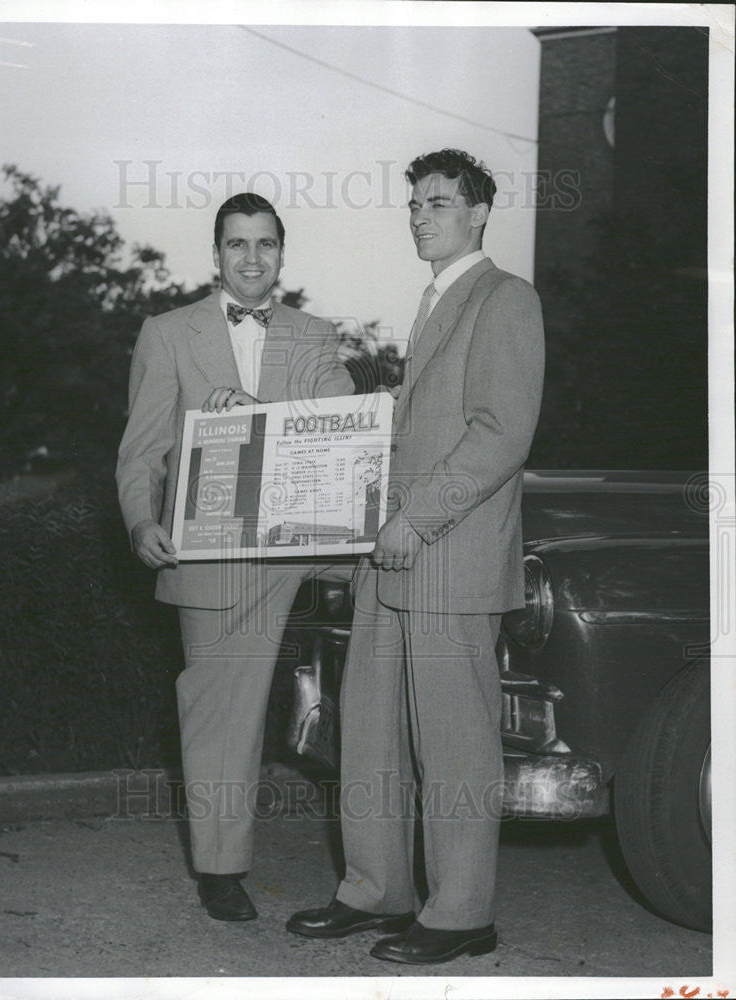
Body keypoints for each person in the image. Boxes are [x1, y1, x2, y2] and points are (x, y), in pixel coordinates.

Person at [287, 149, 545, 964]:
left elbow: (501, 431)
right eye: (413, 204)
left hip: (443, 554)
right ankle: (376, 889)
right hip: (388, 557)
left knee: (453, 744)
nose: (419, 215)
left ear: (477, 213)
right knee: (367, 734)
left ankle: (462, 911)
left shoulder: (505, 299)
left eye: (438, 202)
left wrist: (417, 520)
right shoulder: (436, 302)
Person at [116, 193, 354, 922]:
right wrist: (139, 524)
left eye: (265, 244)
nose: (251, 258)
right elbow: (140, 451)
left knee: (403, 631)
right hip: (217, 553)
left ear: (282, 254)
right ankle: (221, 870)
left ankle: (386, 870)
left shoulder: (314, 336)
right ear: (215, 254)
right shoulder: (167, 333)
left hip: (310, 545)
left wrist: (259, 416)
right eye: (236, 244)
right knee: (221, 714)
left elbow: (342, 428)